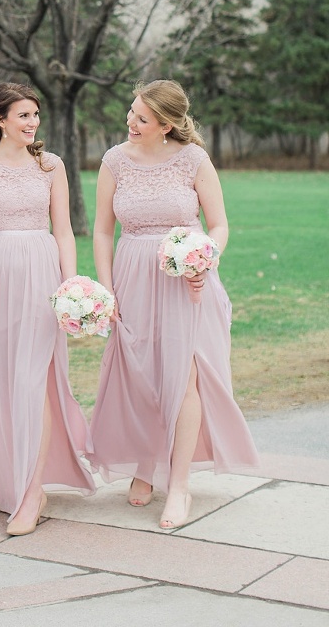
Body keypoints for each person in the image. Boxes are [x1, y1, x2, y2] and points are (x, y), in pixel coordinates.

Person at [88, 79, 259, 530]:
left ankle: (178, 485)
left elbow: (219, 225)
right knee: (142, 374)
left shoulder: (194, 160)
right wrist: (107, 290)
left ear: (166, 125)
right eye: (131, 111)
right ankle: (146, 464)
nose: (130, 121)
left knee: (183, 380)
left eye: (141, 118)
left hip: (187, 283)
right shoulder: (114, 161)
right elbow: (102, 230)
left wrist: (203, 257)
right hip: (131, 277)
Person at [0, 83, 95, 536]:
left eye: (36, 115)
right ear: (0, 120)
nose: (33, 123)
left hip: (41, 274)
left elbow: (65, 231)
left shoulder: (50, 165)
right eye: (23, 116)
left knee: (35, 380)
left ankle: (33, 490)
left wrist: (70, 285)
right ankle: (7, 476)